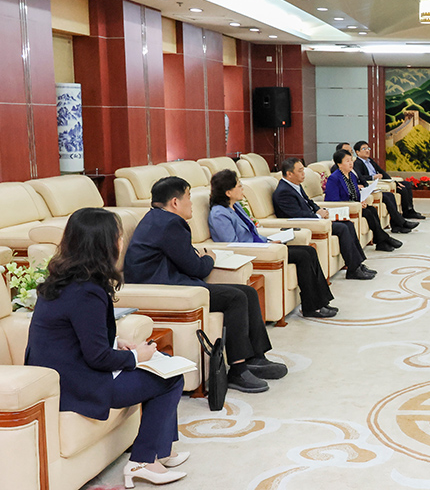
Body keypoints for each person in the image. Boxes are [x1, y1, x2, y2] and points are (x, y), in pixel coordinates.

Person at [27, 208, 189, 487]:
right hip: (77, 385)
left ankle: (162, 451)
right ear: (105, 244)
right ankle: (142, 461)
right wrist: (136, 356)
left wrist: (117, 343)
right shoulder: (86, 290)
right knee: (171, 377)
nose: (122, 241)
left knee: (162, 364)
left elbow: (76, 336)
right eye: (119, 236)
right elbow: (98, 358)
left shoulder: (63, 278)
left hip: (66, 374)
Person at [125, 176, 286, 393]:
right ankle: (238, 370)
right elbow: (197, 269)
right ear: (175, 202)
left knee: (247, 292)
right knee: (236, 298)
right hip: (167, 290)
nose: (191, 203)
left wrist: (199, 258)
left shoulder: (156, 219)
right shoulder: (171, 223)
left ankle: (257, 358)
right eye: (188, 197)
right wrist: (210, 258)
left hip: (168, 283)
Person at [208, 169, 337, 319]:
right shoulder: (219, 214)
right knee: (303, 255)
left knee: (309, 251)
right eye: (239, 186)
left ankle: (321, 302)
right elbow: (232, 245)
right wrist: (264, 246)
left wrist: (268, 241)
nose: (242, 188)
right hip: (249, 253)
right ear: (228, 192)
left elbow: (252, 232)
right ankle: (311, 307)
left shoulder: (235, 206)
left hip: (261, 246)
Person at [272, 158, 376, 280]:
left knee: (348, 223)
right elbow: (295, 214)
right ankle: (353, 270)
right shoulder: (283, 192)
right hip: (303, 224)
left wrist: (319, 210)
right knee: (342, 228)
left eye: (303, 170)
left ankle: (358, 264)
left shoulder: (294, 185)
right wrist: (318, 216)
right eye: (300, 171)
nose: (303, 173)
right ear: (289, 174)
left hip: (313, 218)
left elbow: (309, 202)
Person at [325, 149, 404, 251]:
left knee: (371, 209)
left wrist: (361, 201)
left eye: (351, 160)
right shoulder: (334, 178)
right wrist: (354, 205)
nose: (351, 163)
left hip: (355, 206)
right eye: (347, 161)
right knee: (368, 213)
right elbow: (333, 201)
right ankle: (384, 239)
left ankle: (381, 242)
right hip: (343, 208)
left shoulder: (351, 175)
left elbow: (356, 194)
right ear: (339, 164)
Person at [353, 140, 425, 220]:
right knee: (402, 189)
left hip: (381, 181)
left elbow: (382, 172)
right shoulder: (357, 163)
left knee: (407, 184)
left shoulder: (370, 161)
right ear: (357, 152)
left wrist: (394, 182)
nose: (367, 151)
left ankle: (410, 210)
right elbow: (360, 177)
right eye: (364, 149)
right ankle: (406, 212)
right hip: (374, 183)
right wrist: (373, 177)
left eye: (368, 148)